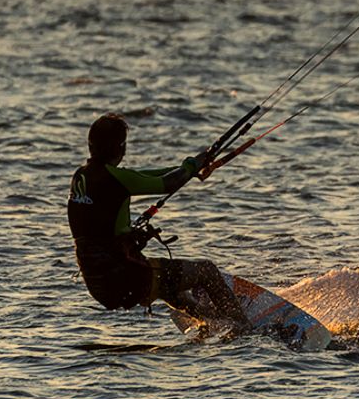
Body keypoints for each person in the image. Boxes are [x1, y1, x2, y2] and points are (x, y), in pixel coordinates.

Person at [68, 113, 248, 325]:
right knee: (206, 271)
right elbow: (167, 184)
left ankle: (214, 323)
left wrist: (188, 169)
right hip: (126, 279)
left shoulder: (82, 175)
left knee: (174, 291)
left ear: (91, 145)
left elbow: (145, 175)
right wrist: (190, 167)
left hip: (99, 284)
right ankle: (244, 327)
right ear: (121, 148)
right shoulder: (118, 179)